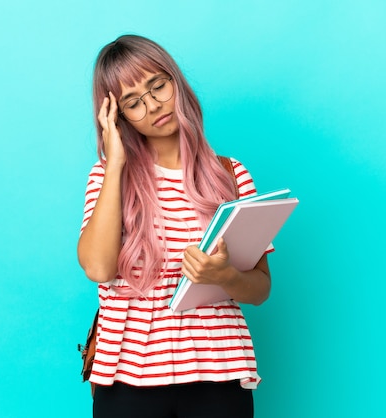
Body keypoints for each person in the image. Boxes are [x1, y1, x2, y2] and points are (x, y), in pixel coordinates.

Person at [77, 34, 272, 418]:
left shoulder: (231, 175)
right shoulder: (105, 178)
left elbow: (260, 288)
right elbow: (98, 268)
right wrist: (116, 163)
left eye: (157, 86)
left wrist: (224, 275)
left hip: (220, 375)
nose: (152, 105)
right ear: (117, 115)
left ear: (175, 82)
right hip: (127, 380)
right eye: (133, 102)